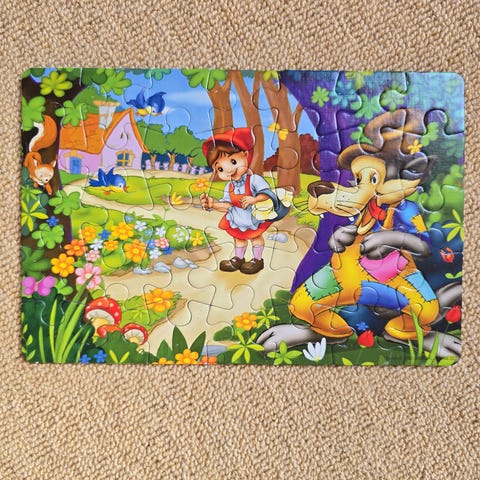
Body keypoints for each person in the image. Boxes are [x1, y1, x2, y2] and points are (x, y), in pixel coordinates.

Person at [200, 128, 274, 274]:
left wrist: (254, 199)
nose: (228, 170)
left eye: (233, 161)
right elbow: (227, 205)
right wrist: (213, 204)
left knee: (256, 237)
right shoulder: (229, 186)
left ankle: (257, 260)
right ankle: (238, 259)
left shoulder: (254, 180)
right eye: (220, 169)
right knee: (239, 239)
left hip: (253, 217)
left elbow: (267, 194)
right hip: (237, 218)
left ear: (245, 155)